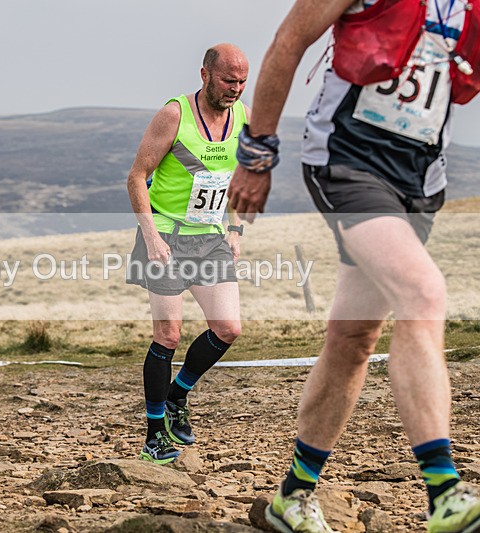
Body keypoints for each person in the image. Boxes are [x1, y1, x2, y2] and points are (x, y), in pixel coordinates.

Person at [228, 1, 480, 531]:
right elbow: (289, 41)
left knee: (353, 339)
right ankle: (445, 495)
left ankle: (291, 498)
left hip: (419, 180)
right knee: (423, 292)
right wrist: (256, 156)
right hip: (346, 161)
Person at [126, 44, 249, 464]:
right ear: (205, 75)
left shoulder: (242, 117)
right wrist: (151, 236)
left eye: (241, 81)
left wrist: (234, 227)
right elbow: (137, 177)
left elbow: (232, 178)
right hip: (165, 236)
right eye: (228, 80)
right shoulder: (174, 115)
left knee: (228, 328)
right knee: (169, 335)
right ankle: (154, 434)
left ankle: (179, 394)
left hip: (209, 237)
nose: (235, 89)